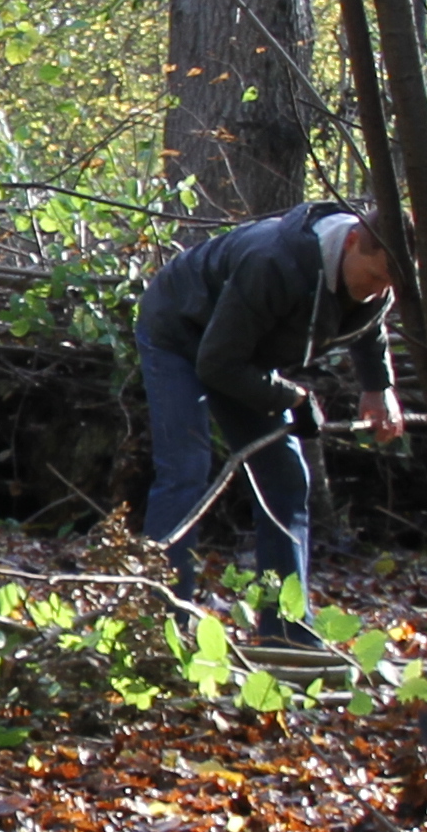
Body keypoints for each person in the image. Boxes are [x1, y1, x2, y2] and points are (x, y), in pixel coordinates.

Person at [135, 200, 408, 608]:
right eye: (373, 276)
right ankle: (159, 616)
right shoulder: (273, 261)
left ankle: (286, 627)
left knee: (285, 479)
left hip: (239, 354)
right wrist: (293, 397)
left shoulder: (378, 279)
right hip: (178, 330)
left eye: (388, 284)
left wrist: (378, 387)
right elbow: (218, 365)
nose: (378, 290)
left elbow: (369, 325)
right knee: (186, 471)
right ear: (352, 241)